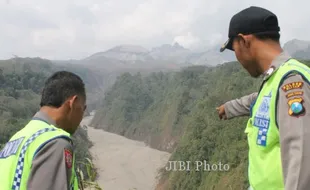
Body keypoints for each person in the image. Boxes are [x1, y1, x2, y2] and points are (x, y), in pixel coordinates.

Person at [217, 6, 310, 190]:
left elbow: (301, 161)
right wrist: (229, 108)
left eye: (233, 48)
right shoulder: (276, 79)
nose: (237, 58)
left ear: (244, 41)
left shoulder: (292, 83)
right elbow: (261, 100)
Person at [0, 71, 87, 190]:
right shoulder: (55, 143)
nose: (82, 116)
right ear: (73, 102)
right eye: (83, 108)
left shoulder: (18, 139)